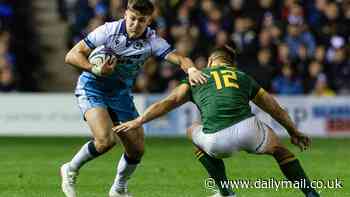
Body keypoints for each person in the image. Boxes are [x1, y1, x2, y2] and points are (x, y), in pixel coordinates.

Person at [114, 43, 320, 197]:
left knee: (193, 131)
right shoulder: (242, 76)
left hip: (215, 141)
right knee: (279, 149)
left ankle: (225, 192)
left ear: (211, 61)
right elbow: (273, 107)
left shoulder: (198, 76)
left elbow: (168, 102)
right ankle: (311, 193)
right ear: (231, 64)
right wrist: (293, 131)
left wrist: (139, 121)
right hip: (249, 131)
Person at [61, 0, 207, 197]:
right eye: (132, 19)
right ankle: (70, 168)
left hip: (120, 93)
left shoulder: (153, 41)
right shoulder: (107, 31)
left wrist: (191, 69)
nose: (135, 24)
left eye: (141, 20)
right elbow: (71, 56)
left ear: (149, 21)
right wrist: (95, 68)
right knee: (105, 141)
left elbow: (181, 59)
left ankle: (119, 189)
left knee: (137, 149)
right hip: (93, 86)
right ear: (125, 14)